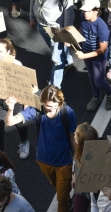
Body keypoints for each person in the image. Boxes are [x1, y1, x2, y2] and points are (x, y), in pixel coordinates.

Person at [5, 84, 76, 212]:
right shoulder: (36, 111)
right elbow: (10, 122)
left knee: (62, 199)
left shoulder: (68, 113)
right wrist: (10, 109)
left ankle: (65, 202)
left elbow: (72, 137)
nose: (53, 110)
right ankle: (66, 200)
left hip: (64, 163)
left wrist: (76, 163)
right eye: (49, 107)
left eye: (56, 106)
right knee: (58, 188)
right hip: (44, 161)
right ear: (42, 103)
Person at [29, 0, 74, 86]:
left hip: (56, 25)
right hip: (41, 21)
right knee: (55, 48)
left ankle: (54, 87)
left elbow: (68, 8)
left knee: (56, 58)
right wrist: (32, 16)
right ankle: (69, 61)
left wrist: (67, 33)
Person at [76, 0, 111, 111]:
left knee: (99, 81)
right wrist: (72, 38)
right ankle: (96, 96)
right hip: (86, 54)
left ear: (96, 10)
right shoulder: (82, 18)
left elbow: (102, 50)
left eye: (88, 11)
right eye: (84, 11)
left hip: (98, 59)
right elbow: (81, 29)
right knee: (91, 76)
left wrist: (84, 56)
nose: (85, 14)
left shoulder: (102, 27)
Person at [0, 39, 29, 158]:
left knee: (20, 123)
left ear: (8, 52)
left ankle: (24, 142)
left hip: (14, 100)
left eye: (0, 51)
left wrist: (25, 105)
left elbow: (25, 86)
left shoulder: (17, 65)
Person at [72, 122, 99, 212]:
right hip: (82, 191)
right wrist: (74, 175)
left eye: (76, 133)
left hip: (93, 194)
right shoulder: (81, 151)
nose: (74, 134)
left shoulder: (91, 160)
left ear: (81, 141)